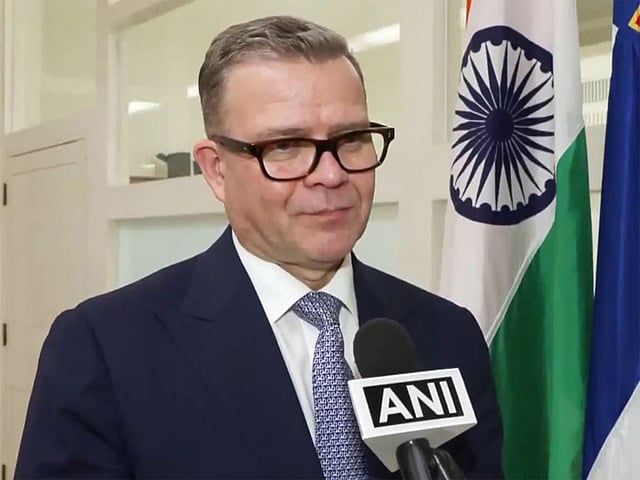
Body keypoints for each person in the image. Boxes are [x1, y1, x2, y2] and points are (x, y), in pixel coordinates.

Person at [15, 15, 503, 479]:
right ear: (216, 169)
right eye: (285, 146)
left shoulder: (447, 334)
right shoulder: (105, 349)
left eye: (352, 138)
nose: (331, 174)